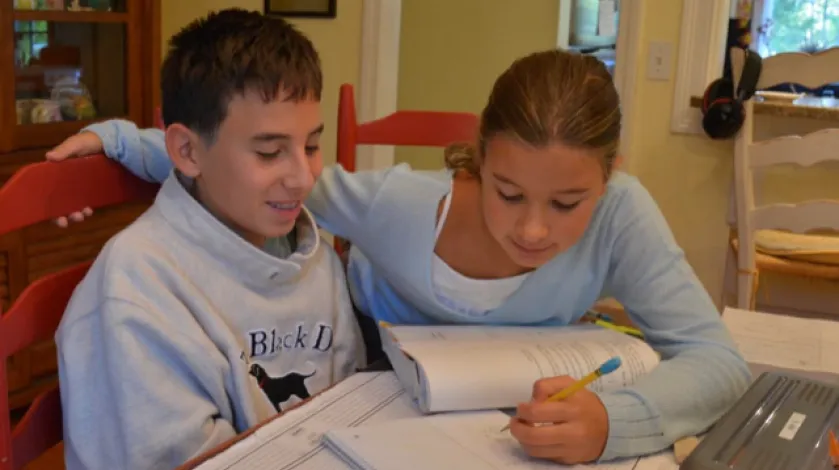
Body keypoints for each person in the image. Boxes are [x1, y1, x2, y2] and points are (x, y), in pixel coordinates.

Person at [48, 49, 750, 465]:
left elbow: (717, 361)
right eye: (506, 194)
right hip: (377, 397)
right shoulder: (397, 205)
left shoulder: (623, 212)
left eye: (568, 204)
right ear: (477, 160)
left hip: (511, 419)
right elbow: (269, 173)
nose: (534, 230)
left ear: (609, 175)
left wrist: (611, 423)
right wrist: (113, 141)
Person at [54, 9, 364, 470]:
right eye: (269, 152)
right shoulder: (136, 291)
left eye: (312, 145)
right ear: (187, 151)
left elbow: (352, 403)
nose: (303, 178)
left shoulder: (312, 254)